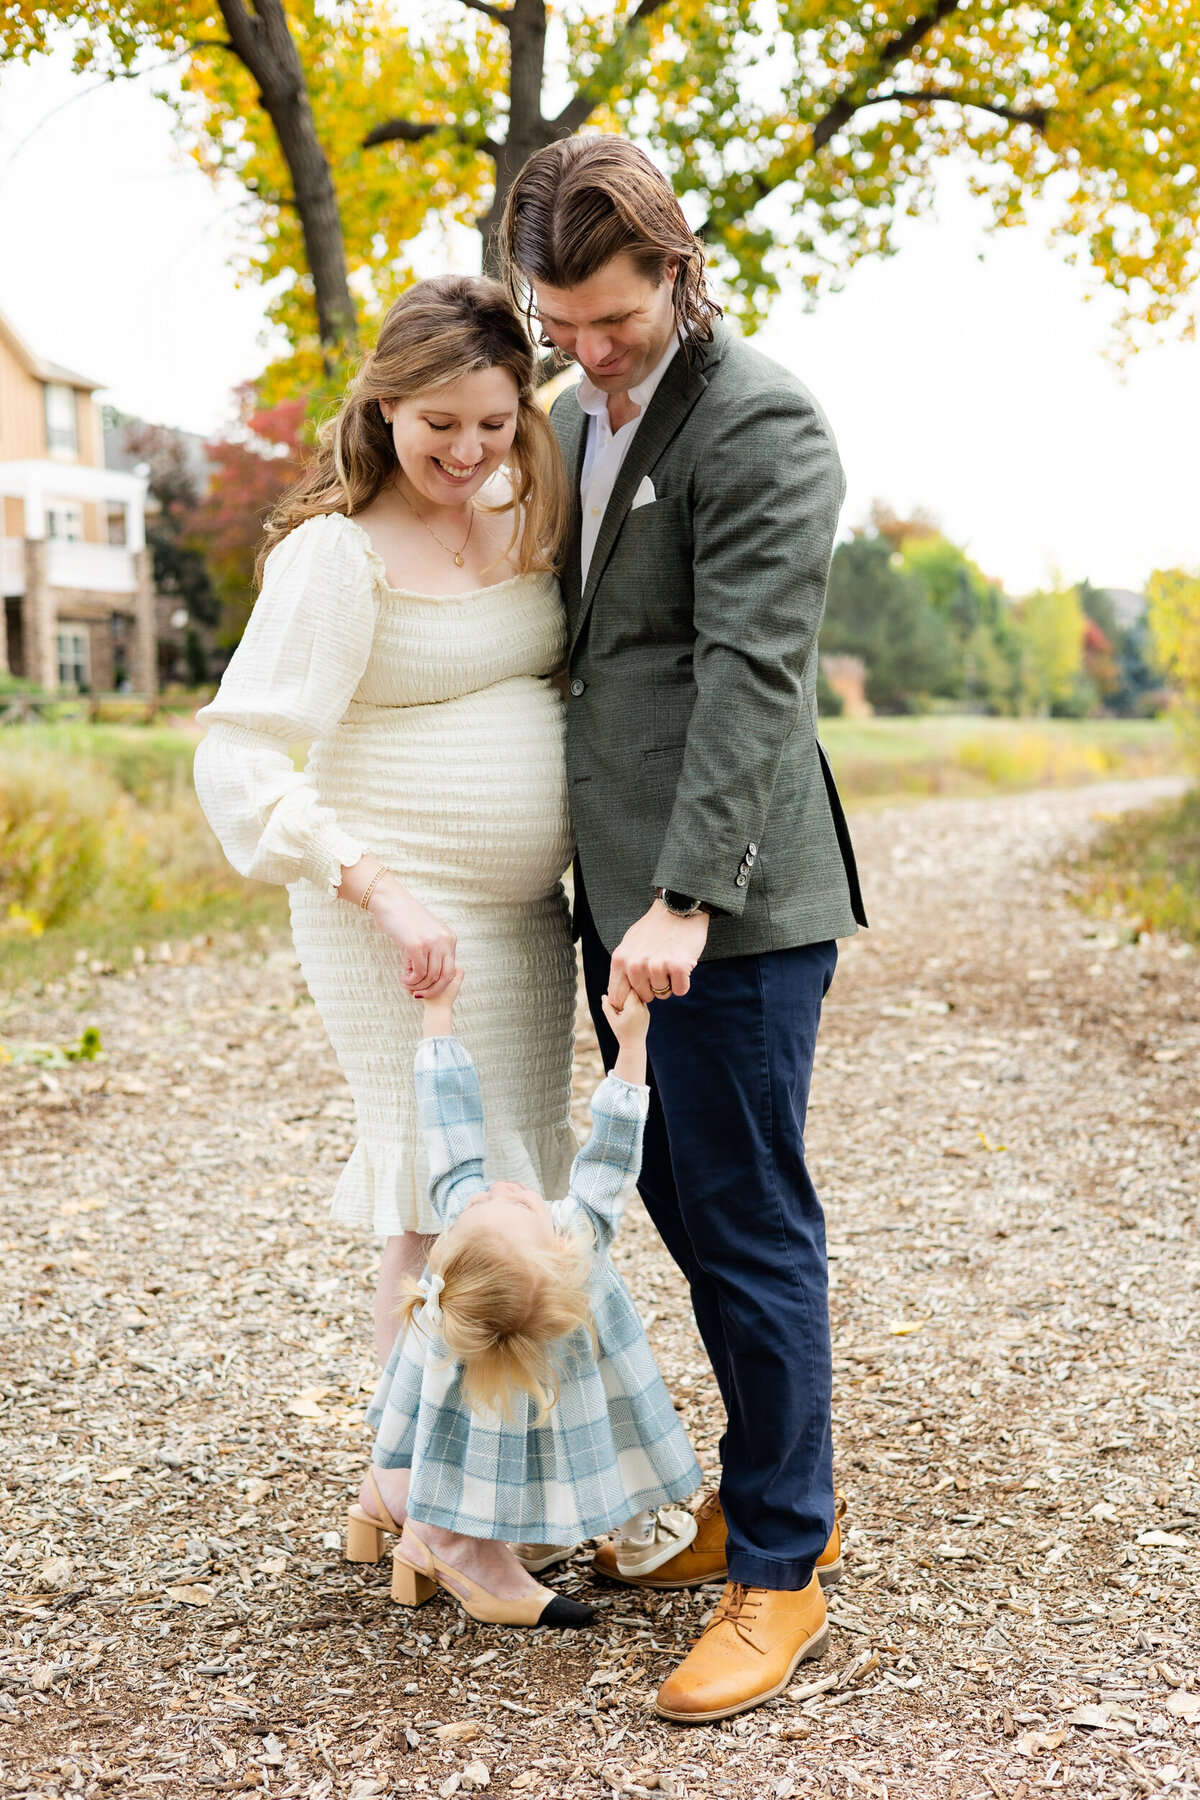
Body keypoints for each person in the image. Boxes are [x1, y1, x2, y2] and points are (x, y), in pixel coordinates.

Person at [500, 137, 868, 1722]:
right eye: (557, 325)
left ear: (677, 263)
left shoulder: (765, 420)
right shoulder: (585, 416)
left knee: (751, 1213)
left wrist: (686, 898)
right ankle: (765, 1492)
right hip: (623, 896)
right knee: (683, 1197)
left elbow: (753, 678)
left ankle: (785, 1566)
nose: (587, 354)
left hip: (723, 906)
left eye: (614, 321)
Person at [194, 276, 579, 1400]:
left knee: (511, 1199)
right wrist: (380, 889)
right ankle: (425, 1499)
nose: (467, 451)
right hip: (392, 920)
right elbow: (239, 755)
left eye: (493, 423)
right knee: (431, 1199)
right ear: (385, 410)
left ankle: (430, 1492)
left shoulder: (526, 510)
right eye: (439, 426)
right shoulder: (338, 554)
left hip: (519, 924)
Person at [348, 971, 702, 1628]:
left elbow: (447, 1123)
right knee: (595, 1444)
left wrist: (440, 1021)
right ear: (558, 1253)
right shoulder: (580, 1233)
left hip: (507, 1384)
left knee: (511, 1445)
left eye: (495, 1201)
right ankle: (624, 1531)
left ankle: (404, 1508)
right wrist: (632, 1048)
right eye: (510, 1205)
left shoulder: (461, 1214)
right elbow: (613, 1149)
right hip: (585, 1389)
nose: (503, 1189)